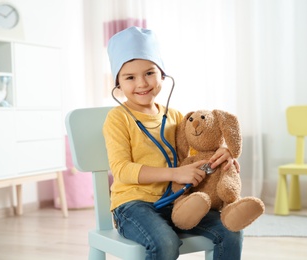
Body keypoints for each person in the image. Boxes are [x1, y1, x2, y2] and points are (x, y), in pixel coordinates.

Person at [103, 26, 243, 260]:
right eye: (130, 77)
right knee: (165, 243)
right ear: (118, 82)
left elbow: (199, 153)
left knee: (230, 229)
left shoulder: (177, 117)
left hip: (177, 202)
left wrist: (222, 153)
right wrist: (175, 174)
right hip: (133, 206)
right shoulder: (118, 118)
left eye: (149, 73)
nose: (142, 83)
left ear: (162, 73)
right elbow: (122, 170)